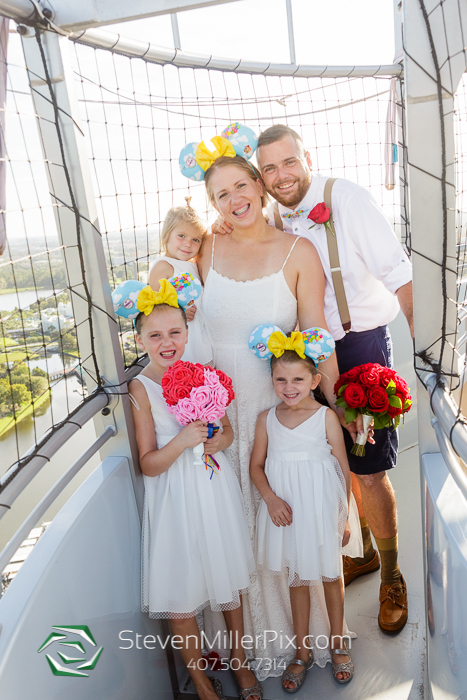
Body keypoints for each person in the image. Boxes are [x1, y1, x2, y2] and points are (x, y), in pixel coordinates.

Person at [216, 124, 413, 633]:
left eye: (289, 163)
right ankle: (361, 550)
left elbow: (400, 273)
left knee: (367, 466)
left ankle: (392, 576)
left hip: (357, 344)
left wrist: (425, 351)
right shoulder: (270, 211)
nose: (281, 176)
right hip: (296, 356)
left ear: (308, 158)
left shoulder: (346, 198)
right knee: (331, 459)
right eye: (270, 169)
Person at [198, 154, 354, 675]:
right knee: (232, 527)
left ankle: (304, 643)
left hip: (275, 413)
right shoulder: (205, 247)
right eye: (221, 194)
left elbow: (317, 338)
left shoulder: (299, 250)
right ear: (212, 204)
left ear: (261, 186)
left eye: (242, 185)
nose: (234, 199)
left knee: (284, 524)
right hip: (217, 421)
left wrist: (345, 404)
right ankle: (246, 651)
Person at [128, 285, 260, 700]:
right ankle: (201, 683)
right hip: (174, 499)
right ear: (138, 340)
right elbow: (148, 464)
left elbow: (229, 433)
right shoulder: (140, 389)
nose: (166, 343)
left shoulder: (204, 374)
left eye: (174, 333)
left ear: (187, 331)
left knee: (229, 582)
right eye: (154, 336)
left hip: (211, 486)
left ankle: (238, 664)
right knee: (181, 597)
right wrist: (183, 441)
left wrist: (217, 441)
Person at [250, 343, 361, 689]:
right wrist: (269, 499)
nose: (289, 386)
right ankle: (302, 651)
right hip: (289, 511)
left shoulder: (326, 417)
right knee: (296, 578)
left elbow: (342, 467)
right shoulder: (266, 419)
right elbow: (255, 466)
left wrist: (343, 517)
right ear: (271, 380)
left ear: (315, 380)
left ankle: (337, 642)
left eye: (298, 378)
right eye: (281, 379)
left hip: (322, 506)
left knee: (331, 574)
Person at [149, 203, 212, 365]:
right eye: (181, 236)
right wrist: (180, 310)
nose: (187, 244)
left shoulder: (192, 265)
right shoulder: (164, 266)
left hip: (200, 335)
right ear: (166, 235)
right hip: (182, 342)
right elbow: (153, 308)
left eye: (195, 240)